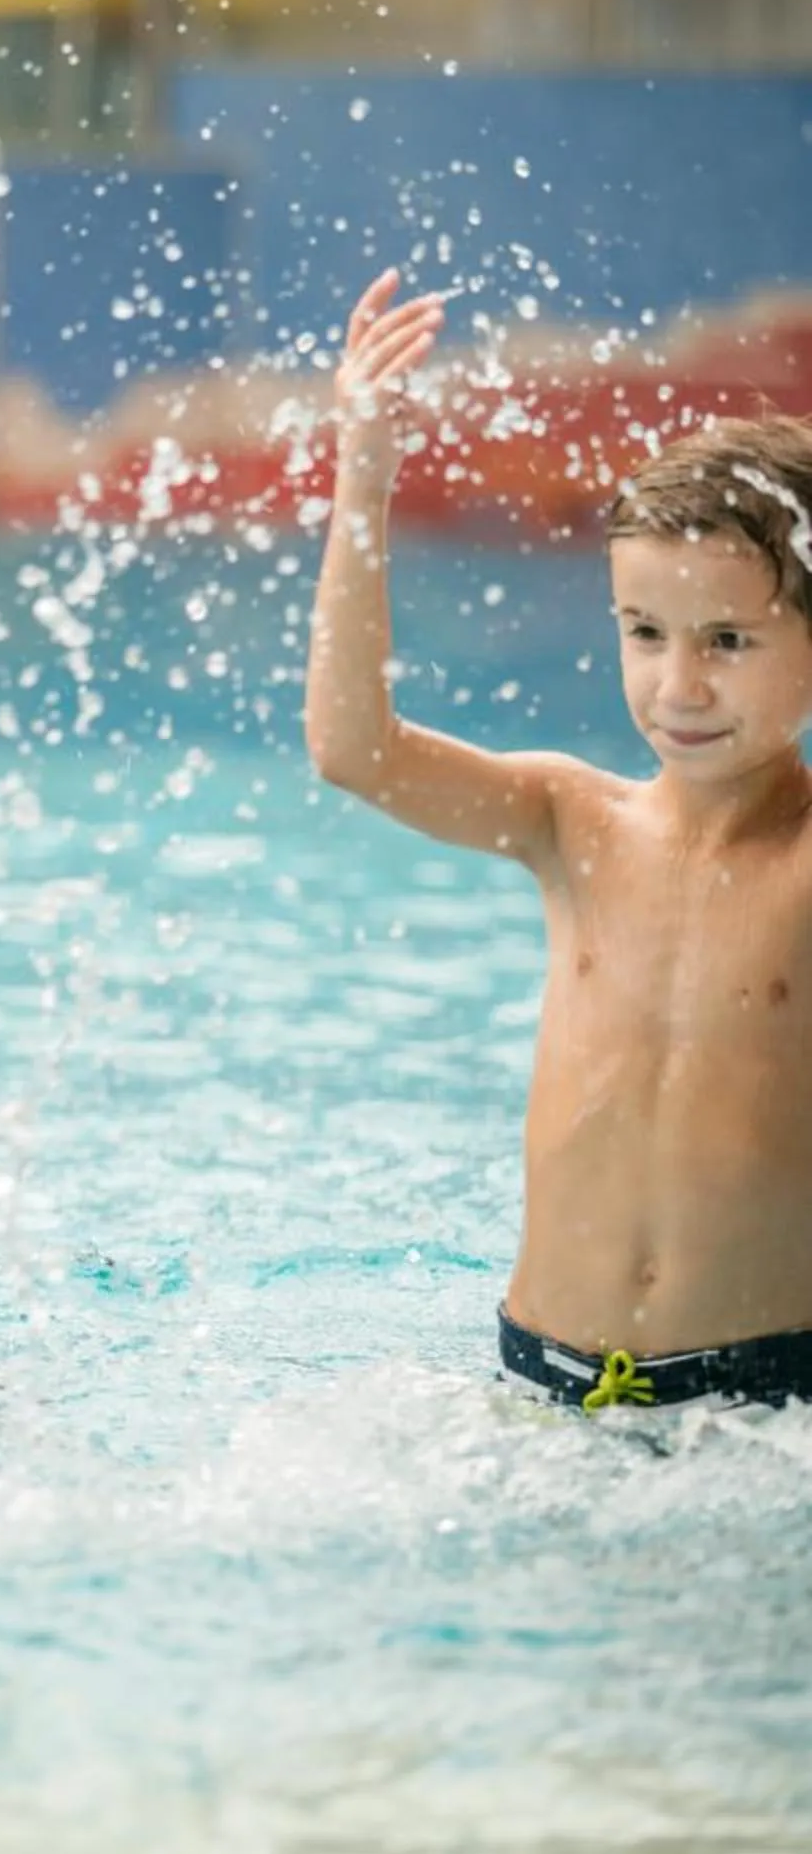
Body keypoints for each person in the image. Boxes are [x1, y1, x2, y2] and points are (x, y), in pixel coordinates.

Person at [307, 270, 812, 1412]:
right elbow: (352, 748)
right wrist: (363, 481)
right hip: (538, 1385)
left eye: (728, 638)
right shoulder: (569, 819)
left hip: (758, 1407)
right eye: (645, 631)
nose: (678, 683)